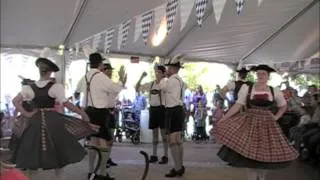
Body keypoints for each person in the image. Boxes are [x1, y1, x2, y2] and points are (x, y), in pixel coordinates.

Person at [11, 57, 97, 180]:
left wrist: (27, 114)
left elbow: (15, 101)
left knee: (33, 152)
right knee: (59, 151)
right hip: (53, 121)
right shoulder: (56, 87)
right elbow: (66, 103)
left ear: (39, 71)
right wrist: (82, 113)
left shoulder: (28, 87)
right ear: (50, 72)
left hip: (35, 121)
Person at [215, 65, 299, 180]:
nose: (260, 76)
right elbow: (238, 105)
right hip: (250, 124)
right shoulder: (247, 88)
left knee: (264, 157)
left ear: (268, 76)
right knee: (248, 157)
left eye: (263, 74)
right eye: (258, 73)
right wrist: (223, 119)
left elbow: (283, 106)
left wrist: (276, 117)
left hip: (267, 126)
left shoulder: (274, 90)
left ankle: (262, 178)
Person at [75, 53, 126, 180]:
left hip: (89, 111)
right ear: (100, 64)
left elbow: (77, 90)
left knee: (93, 141)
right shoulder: (100, 77)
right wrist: (121, 79)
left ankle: (91, 171)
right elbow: (115, 89)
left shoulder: (85, 76)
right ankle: (102, 173)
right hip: (100, 112)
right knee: (105, 142)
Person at [159, 55, 186, 177]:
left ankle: (177, 167)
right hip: (179, 110)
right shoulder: (180, 81)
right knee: (178, 140)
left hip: (172, 111)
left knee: (172, 141)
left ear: (173, 68)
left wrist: (162, 77)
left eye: (169, 68)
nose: (167, 70)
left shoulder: (171, 80)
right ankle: (180, 166)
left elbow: (161, 86)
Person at [136, 65, 169, 164]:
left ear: (163, 74)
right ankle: (154, 155)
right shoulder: (151, 84)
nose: (157, 74)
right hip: (153, 110)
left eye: (159, 72)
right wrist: (141, 77)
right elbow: (137, 88)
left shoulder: (166, 84)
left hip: (162, 109)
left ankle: (165, 156)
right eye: (156, 72)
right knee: (154, 134)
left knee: (163, 134)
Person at [102, 59, 123, 167]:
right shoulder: (102, 83)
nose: (109, 72)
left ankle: (107, 158)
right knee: (104, 139)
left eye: (110, 70)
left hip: (111, 111)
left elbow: (117, 90)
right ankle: (103, 160)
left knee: (110, 138)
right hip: (104, 112)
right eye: (107, 70)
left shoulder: (111, 83)